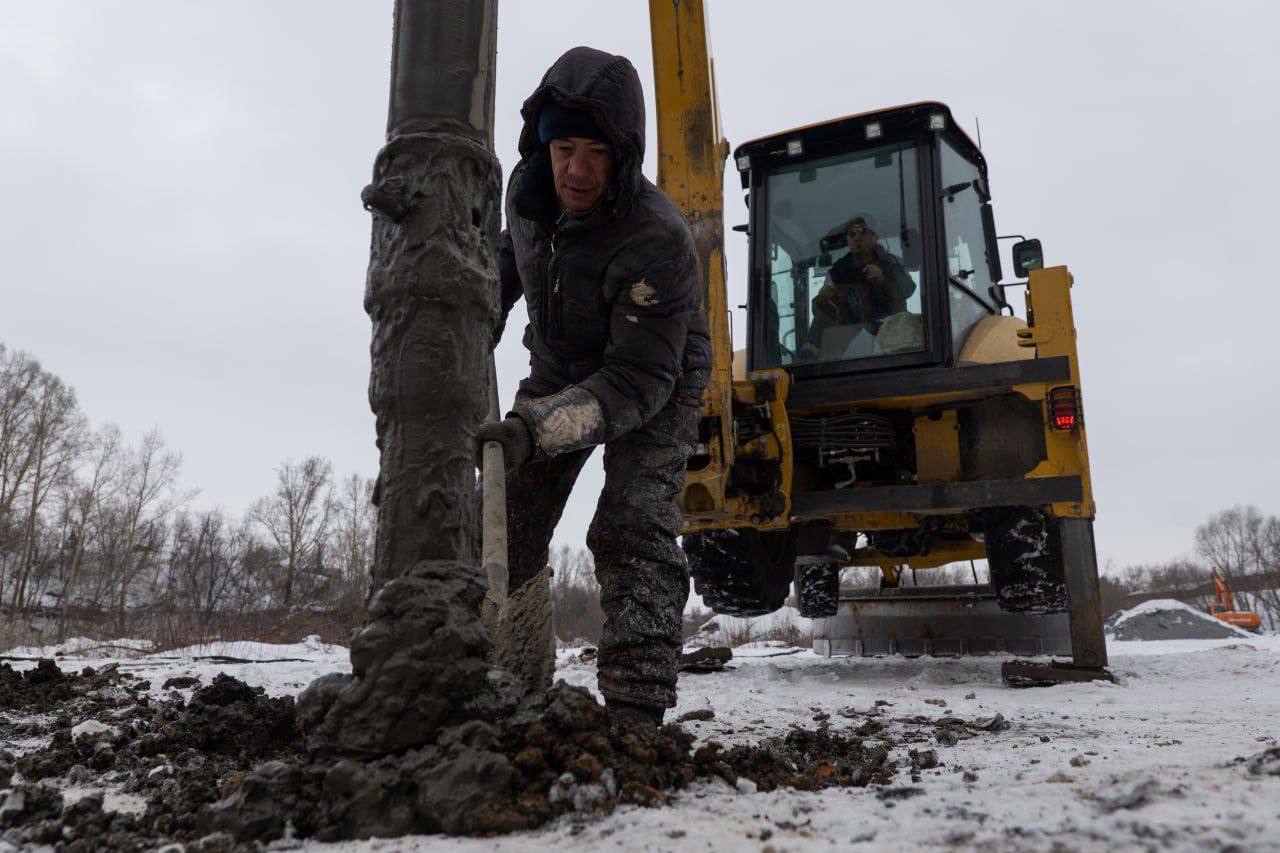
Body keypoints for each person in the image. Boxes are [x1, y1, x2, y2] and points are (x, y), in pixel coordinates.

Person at [477, 46, 711, 727]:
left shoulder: (657, 239)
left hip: (656, 370)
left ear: (625, 154)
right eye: (564, 146)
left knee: (631, 521)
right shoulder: (527, 196)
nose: (577, 169)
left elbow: (635, 381)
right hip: (560, 361)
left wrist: (535, 429)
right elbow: (502, 271)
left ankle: (636, 708)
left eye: (598, 152)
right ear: (542, 145)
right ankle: (513, 671)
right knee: (505, 509)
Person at [804, 215, 916, 358]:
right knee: (821, 320)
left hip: (890, 331)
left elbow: (909, 289)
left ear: (875, 236)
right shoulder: (837, 271)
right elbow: (829, 312)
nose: (857, 237)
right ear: (848, 239)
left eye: (863, 231)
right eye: (852, 234)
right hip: (851, 333)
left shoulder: (892, 263)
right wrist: (823, 298)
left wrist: (883, 279)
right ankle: (808, 362)